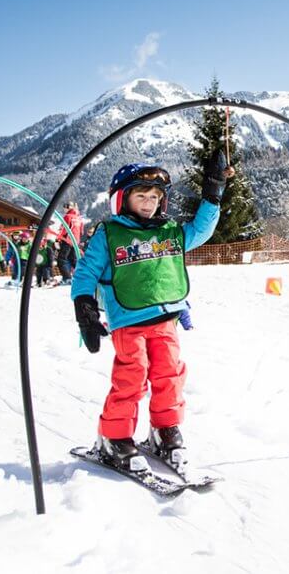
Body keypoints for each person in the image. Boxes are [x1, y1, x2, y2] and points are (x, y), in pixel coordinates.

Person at [71, 153, 234, 470]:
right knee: (131, 378)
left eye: (156, 197)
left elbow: (201, 230)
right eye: (141, 195)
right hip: (128, 322)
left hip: (166, 321)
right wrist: (86, 311)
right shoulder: (109, 234)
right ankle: (114, 437)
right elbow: (85, 274)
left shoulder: (169, 231)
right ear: (123, 198)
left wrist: (214, 192)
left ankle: (164, 430)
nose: (149, 203)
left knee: (169, 376)